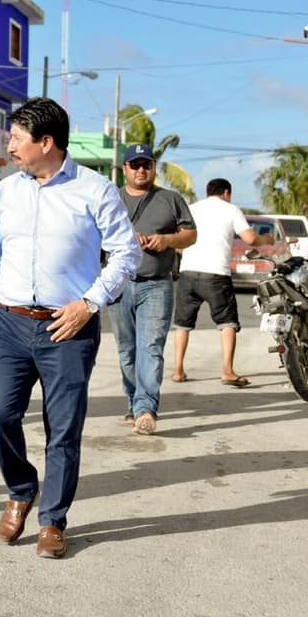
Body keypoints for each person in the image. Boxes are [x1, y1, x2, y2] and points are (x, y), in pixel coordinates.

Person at [0, 98, 140, 559]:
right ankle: (21, 488)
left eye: (18, 137)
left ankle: (52, 520)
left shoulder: (95, 190)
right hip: (12, 323)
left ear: (47, 142)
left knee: (63, 428)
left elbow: (126, 254)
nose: (10, 145)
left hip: (68, 327)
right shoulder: (7, 191)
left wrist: (90, 302)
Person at [109, 144, 197, 435]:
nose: (141, 170)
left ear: (154, 167)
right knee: (126, 349)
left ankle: (146, 408)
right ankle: (133, 401)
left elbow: (190, 234)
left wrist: (167, 241)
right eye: (134, 165)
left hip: (157, 284)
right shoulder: (111, 198)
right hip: (118, 284)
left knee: (150, 347)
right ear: (125, 169)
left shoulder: (170, 199)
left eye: (146, 164)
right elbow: (91, 234)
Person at [170, 178, 272, 386]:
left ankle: (178, 370)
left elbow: (178, 240)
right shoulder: (231, 209)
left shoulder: (191, 209)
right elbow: (250, 239)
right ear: (227, 192)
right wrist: (267, 240)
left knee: (182, 324)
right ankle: (227, 370)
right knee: (227, 323)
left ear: (208, 192)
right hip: (216, 274)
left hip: (188, 272)